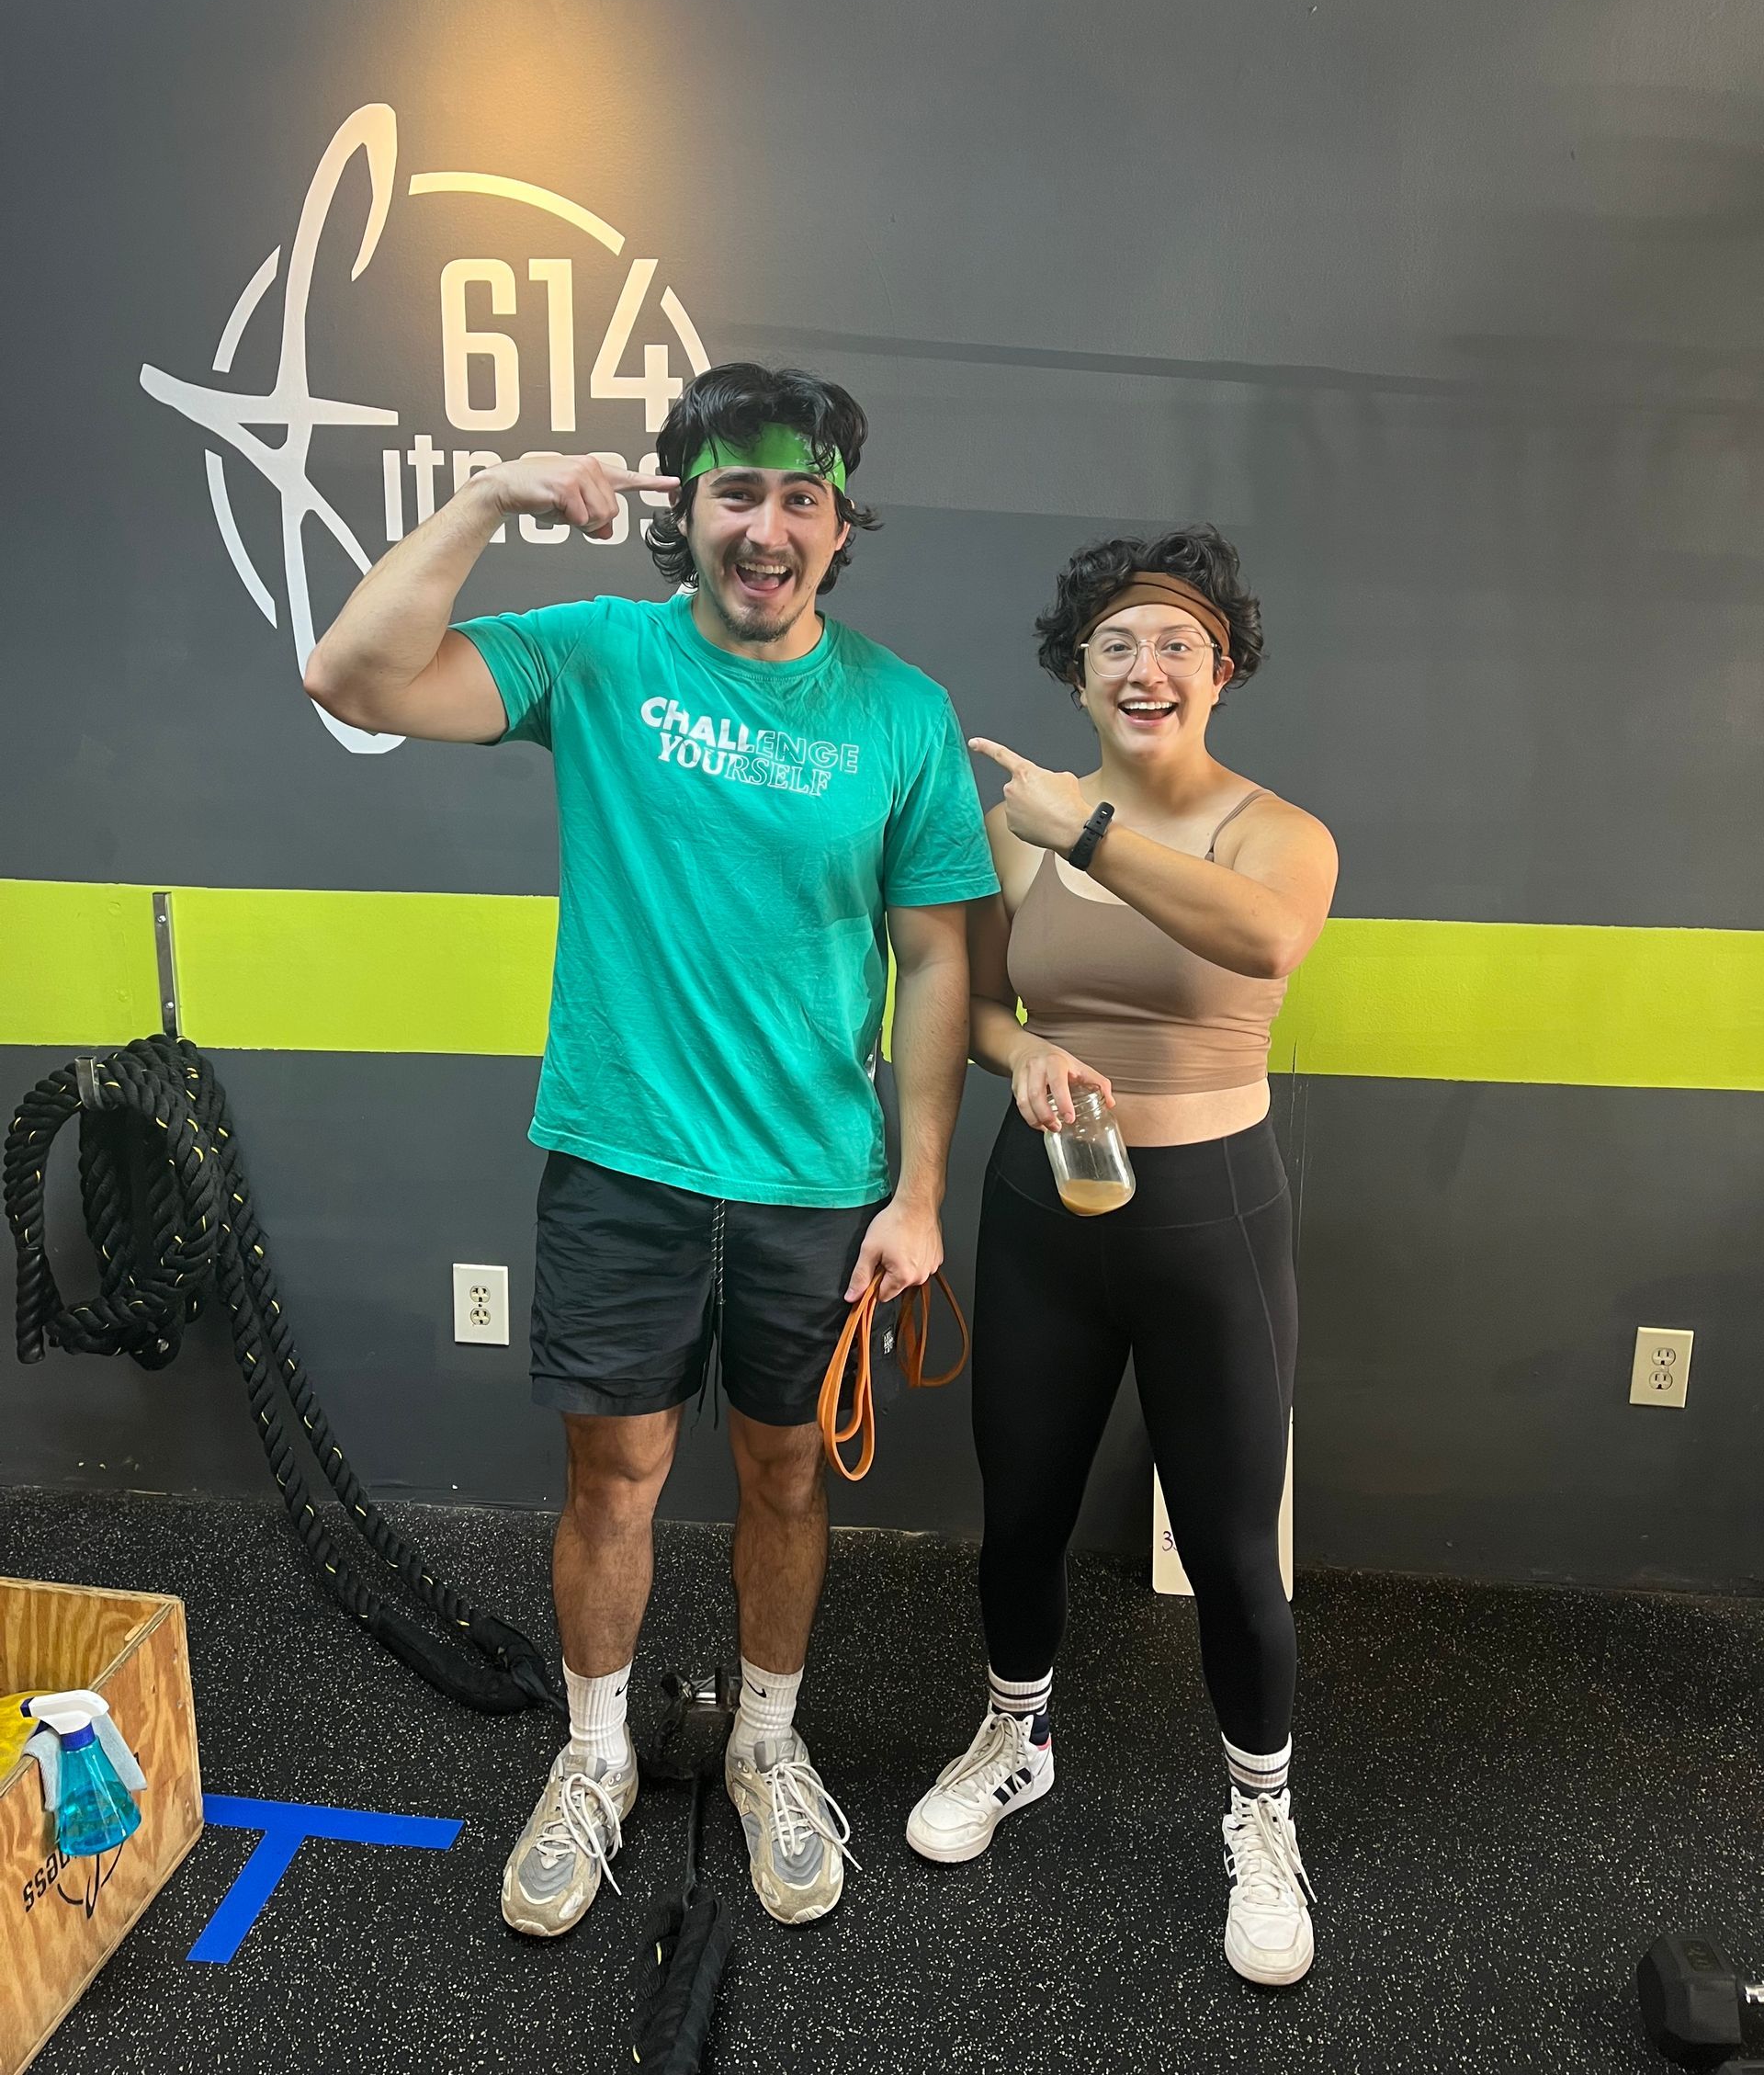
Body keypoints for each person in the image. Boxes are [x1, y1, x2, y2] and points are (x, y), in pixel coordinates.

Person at [303, 364, 996, 1935]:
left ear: (837, 528)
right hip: (623, 1161)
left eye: (798, 498)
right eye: (734, 493)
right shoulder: (600, 655)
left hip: (816, 1182)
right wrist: (487, 499)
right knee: (613, 1480)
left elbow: (941, 958)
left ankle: (764, 1746)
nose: (766, 527)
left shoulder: (900, 711)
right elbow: (349, 675)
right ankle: (598, 1756)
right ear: (681, 510)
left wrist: (922, 1187)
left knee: (786, 1474)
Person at [904, 529, 1338, 1987]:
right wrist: (1022, 1055)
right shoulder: (1021, 818)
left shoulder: (1276, 830)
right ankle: (1014, 1740)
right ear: (1079, 672)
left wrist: (1085, 830)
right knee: (1018, 1511)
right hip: (1046, 1197)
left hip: (1209, 1207)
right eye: (1117, 647)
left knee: (1228, 1546)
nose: (1145, 670)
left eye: (1175, 646)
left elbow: (1265, 944)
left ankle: (1262, 1817)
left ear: (1221, 671)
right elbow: (964, 1001)